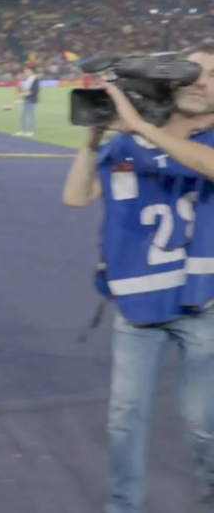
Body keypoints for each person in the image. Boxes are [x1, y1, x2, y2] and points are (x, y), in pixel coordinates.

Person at [62, 41, 214, 513]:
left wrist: (143, 127)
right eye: (192, 72)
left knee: (202, 423)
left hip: (204, 305)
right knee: (124, 418)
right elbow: (76, 196)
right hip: (139, 302)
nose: (201, 82)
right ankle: (122, 507)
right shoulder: (126, 143)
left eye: (213, 76)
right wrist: (93, 138)